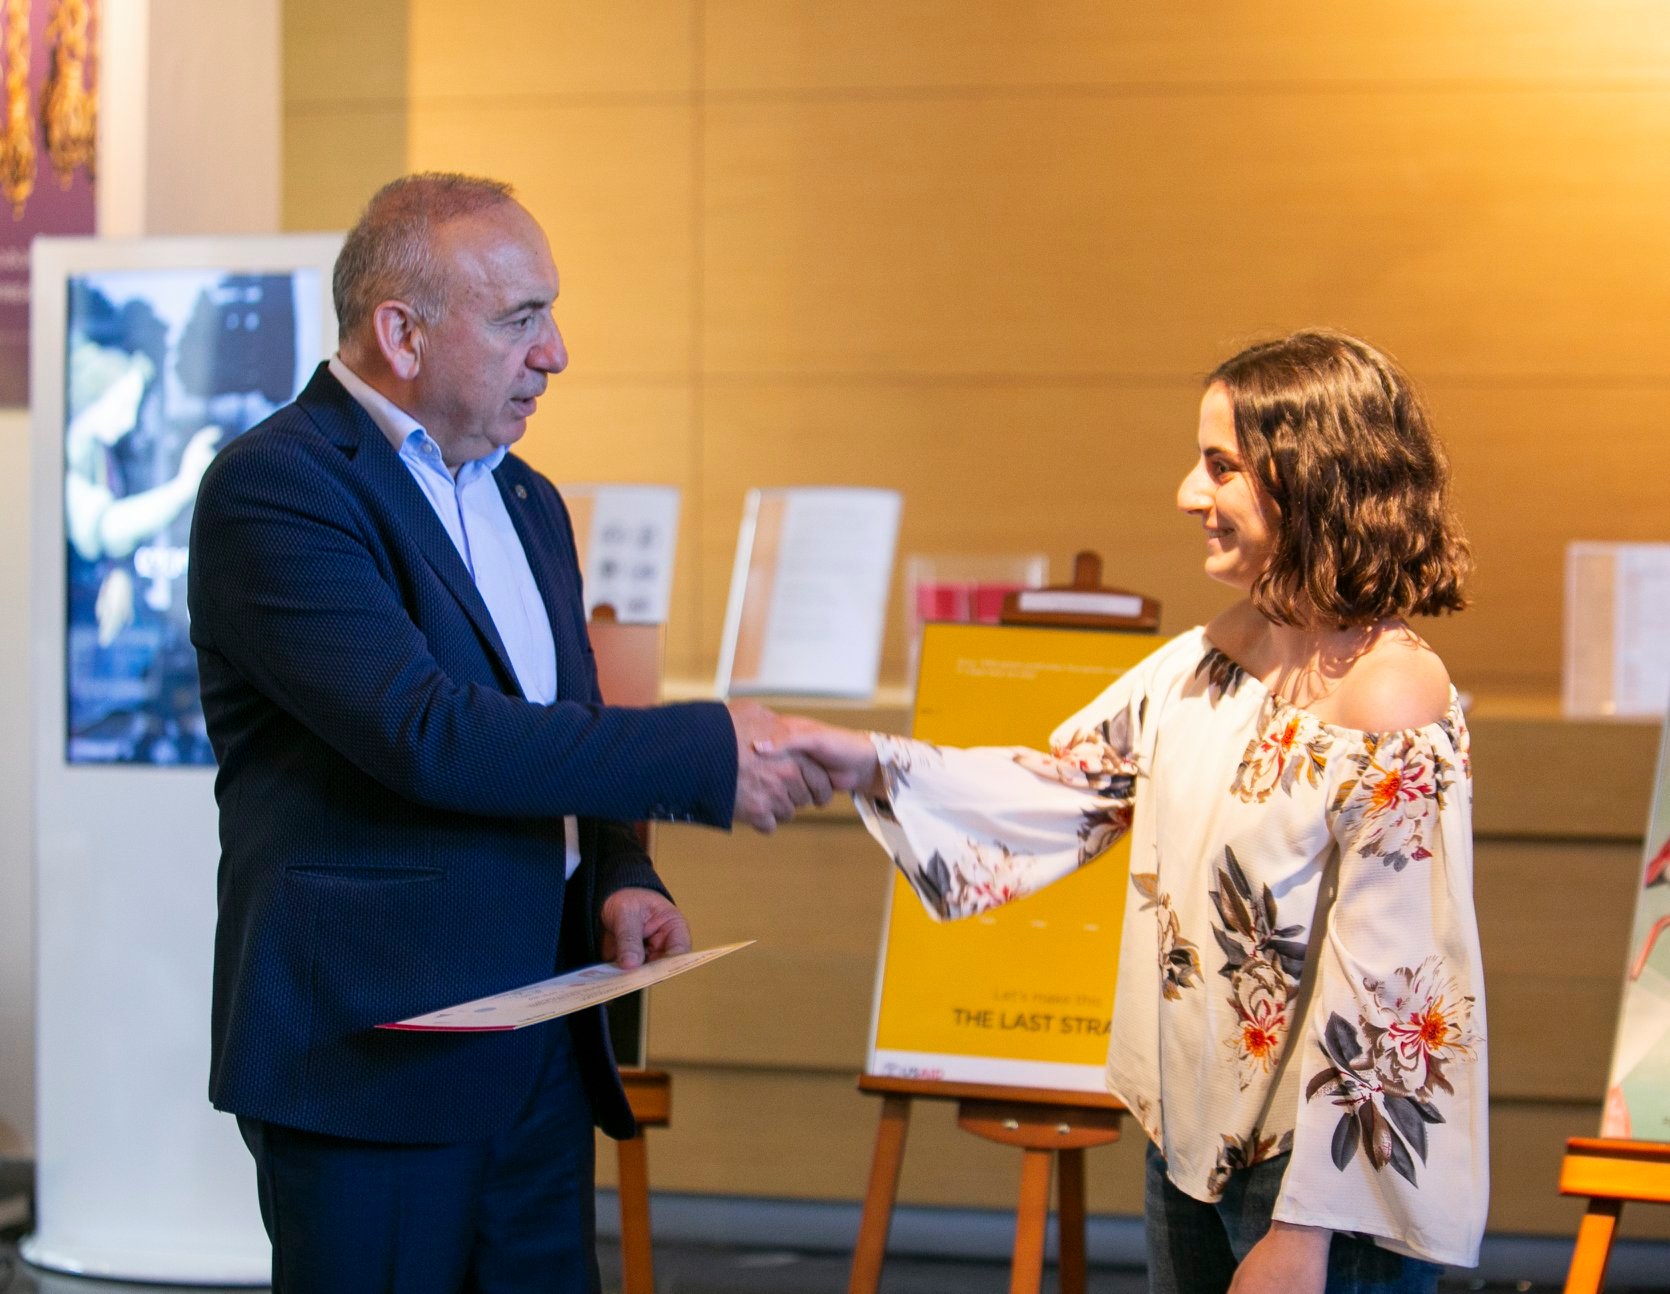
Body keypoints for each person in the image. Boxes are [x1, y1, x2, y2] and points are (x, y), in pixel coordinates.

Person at [187, 172, 829, 1294]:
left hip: (542, 1037)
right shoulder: (277, 489)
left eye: (551, 314)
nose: (555, 353)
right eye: (520, 318)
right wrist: (708, 752)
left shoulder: (527, 498)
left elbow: (562, 724)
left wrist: (621, 870)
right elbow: (429, 733)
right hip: (377, 1053)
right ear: (401, 334)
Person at [779, 330, 1485, 1294]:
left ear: (1311, 476)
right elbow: (1075, 783)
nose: (1190, 494)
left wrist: (1305, 1232)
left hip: (1314, 1190)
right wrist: (865, 760)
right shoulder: (1225, 650)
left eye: (1222, 466)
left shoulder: (1391, 697)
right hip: (1189, 1143)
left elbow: (1395, 991)